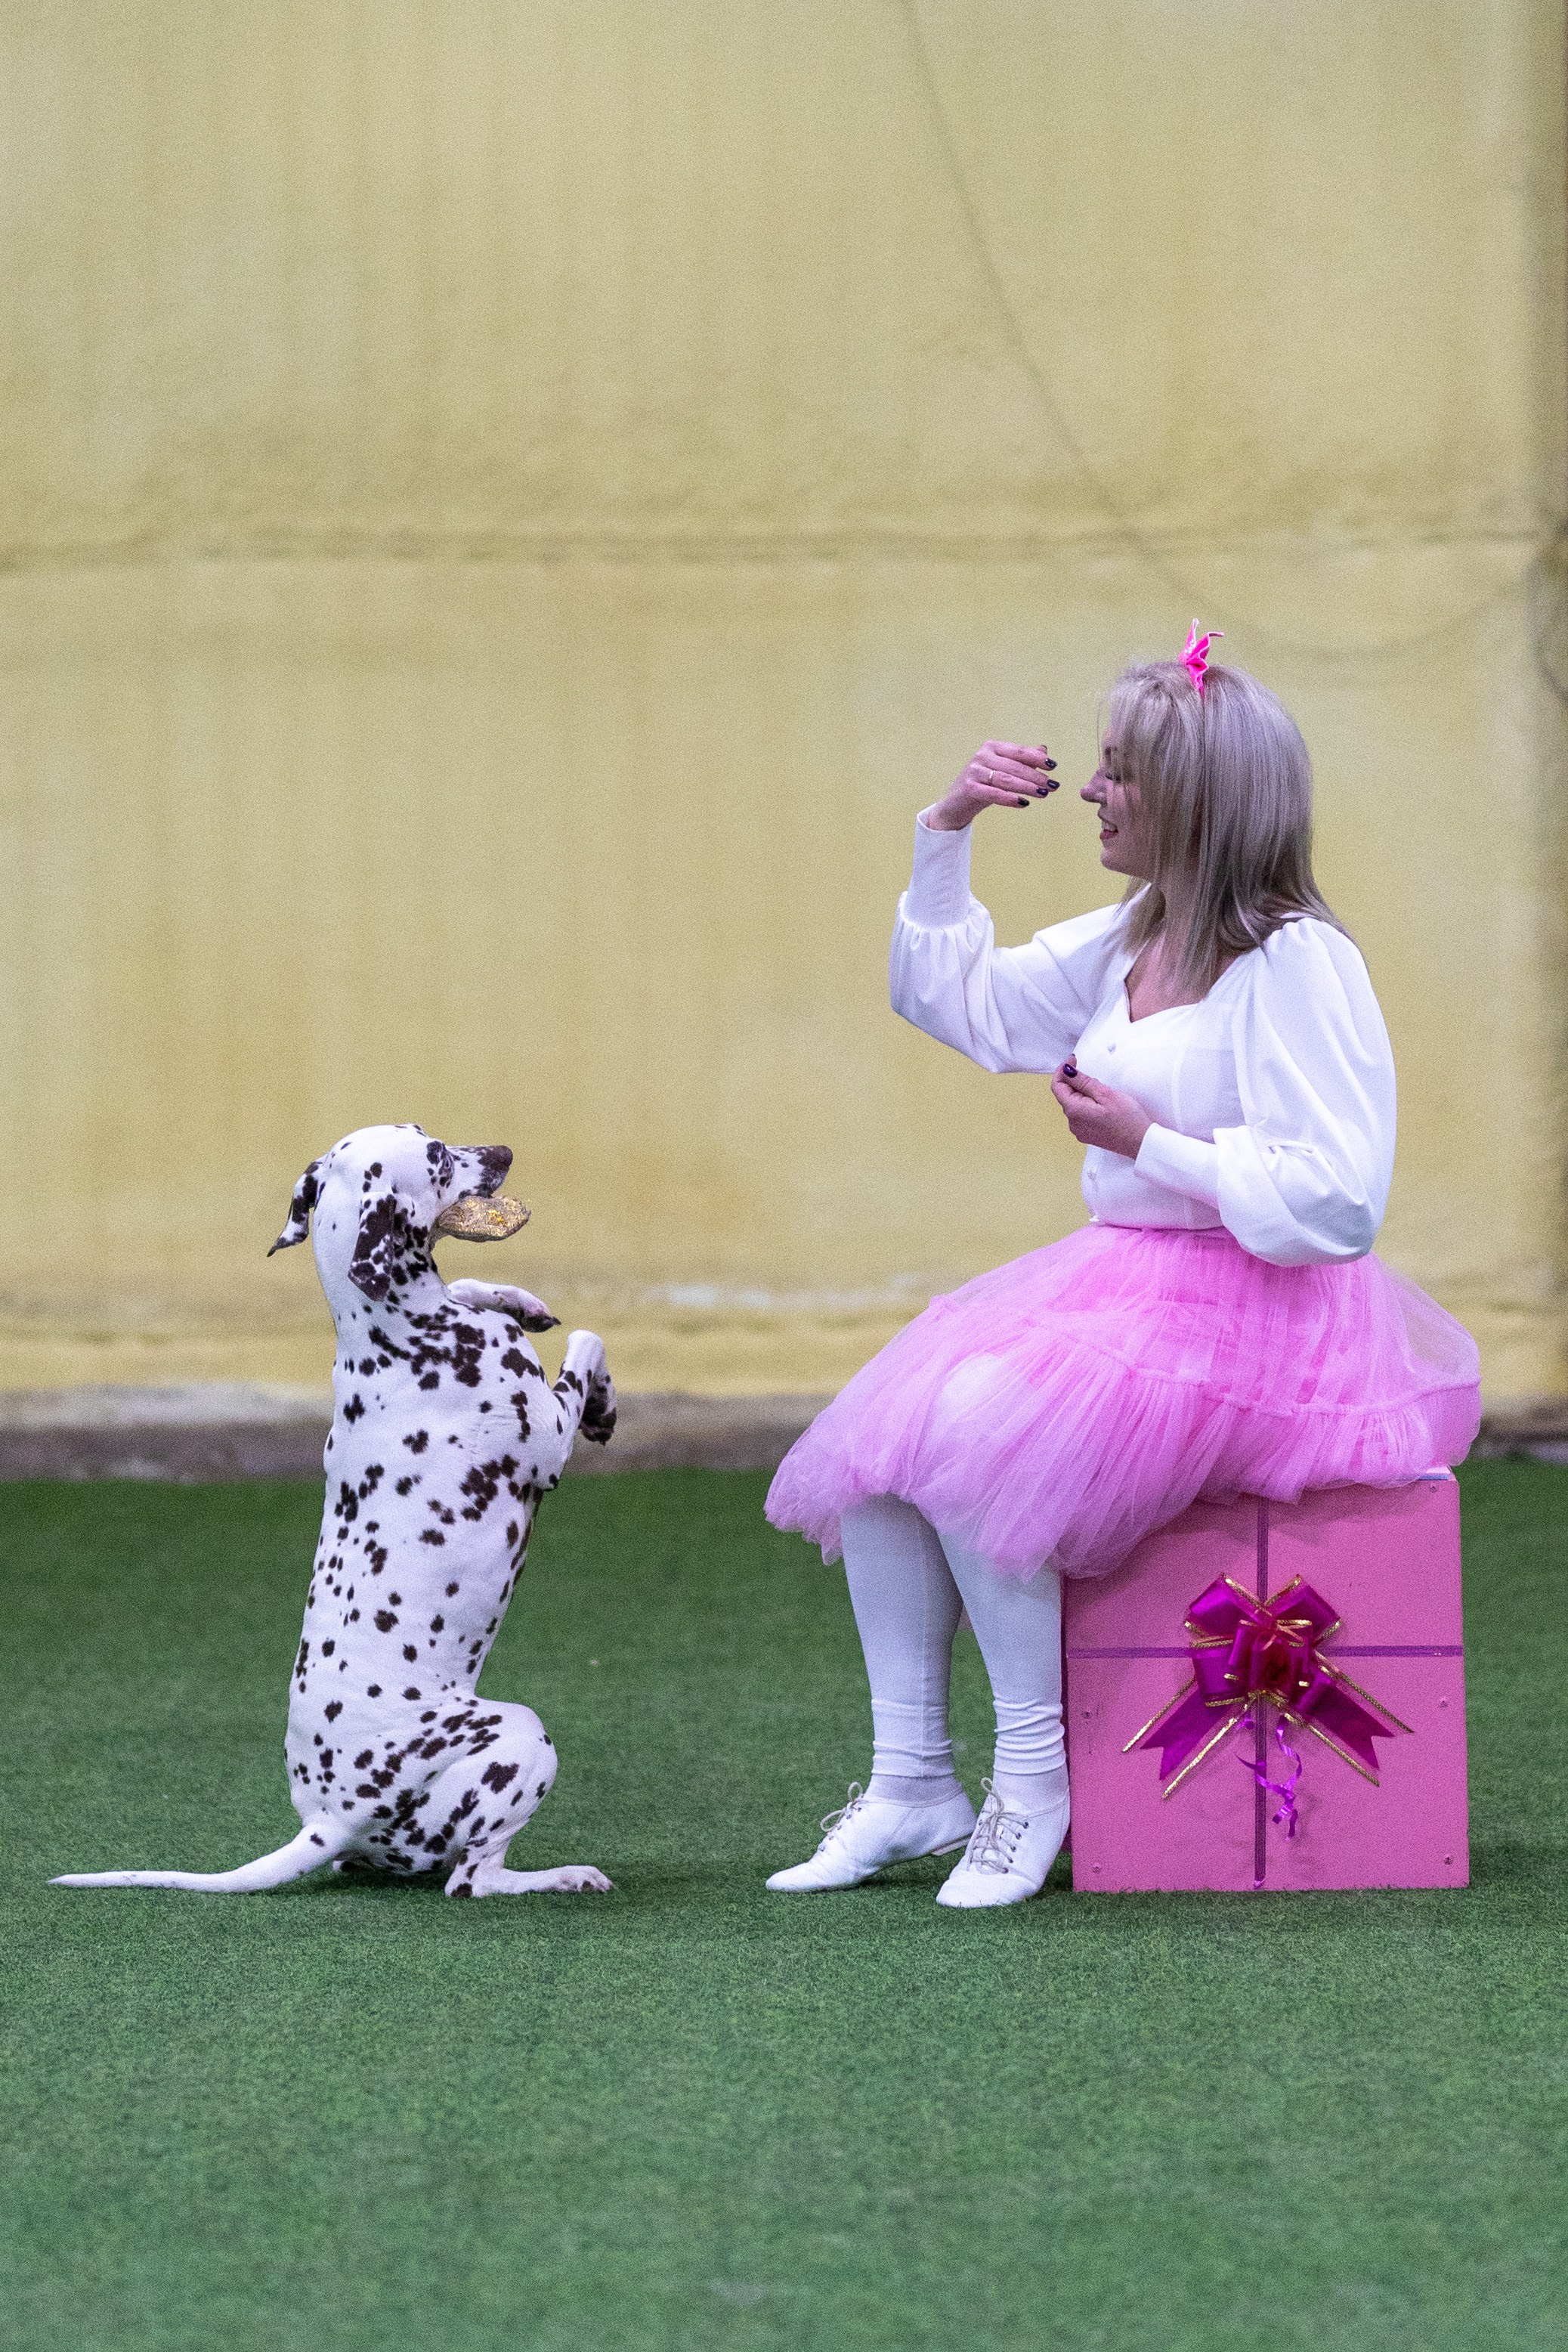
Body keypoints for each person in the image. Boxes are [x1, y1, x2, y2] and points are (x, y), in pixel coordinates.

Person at [763, 629, 1481, 1910]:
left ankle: (1034, 1780)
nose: (1092, 791)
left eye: (1120, 771)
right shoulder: (1129, 937)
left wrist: (1154, 1145)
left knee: (977, 1427)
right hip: (1124, 1283)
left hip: (1261, 1309)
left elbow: (1336, 1200)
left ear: (1195, 799)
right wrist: (947, 828)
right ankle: (912, 1779)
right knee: (879, 1456)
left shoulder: (1295, 960)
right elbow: (966, 1009)